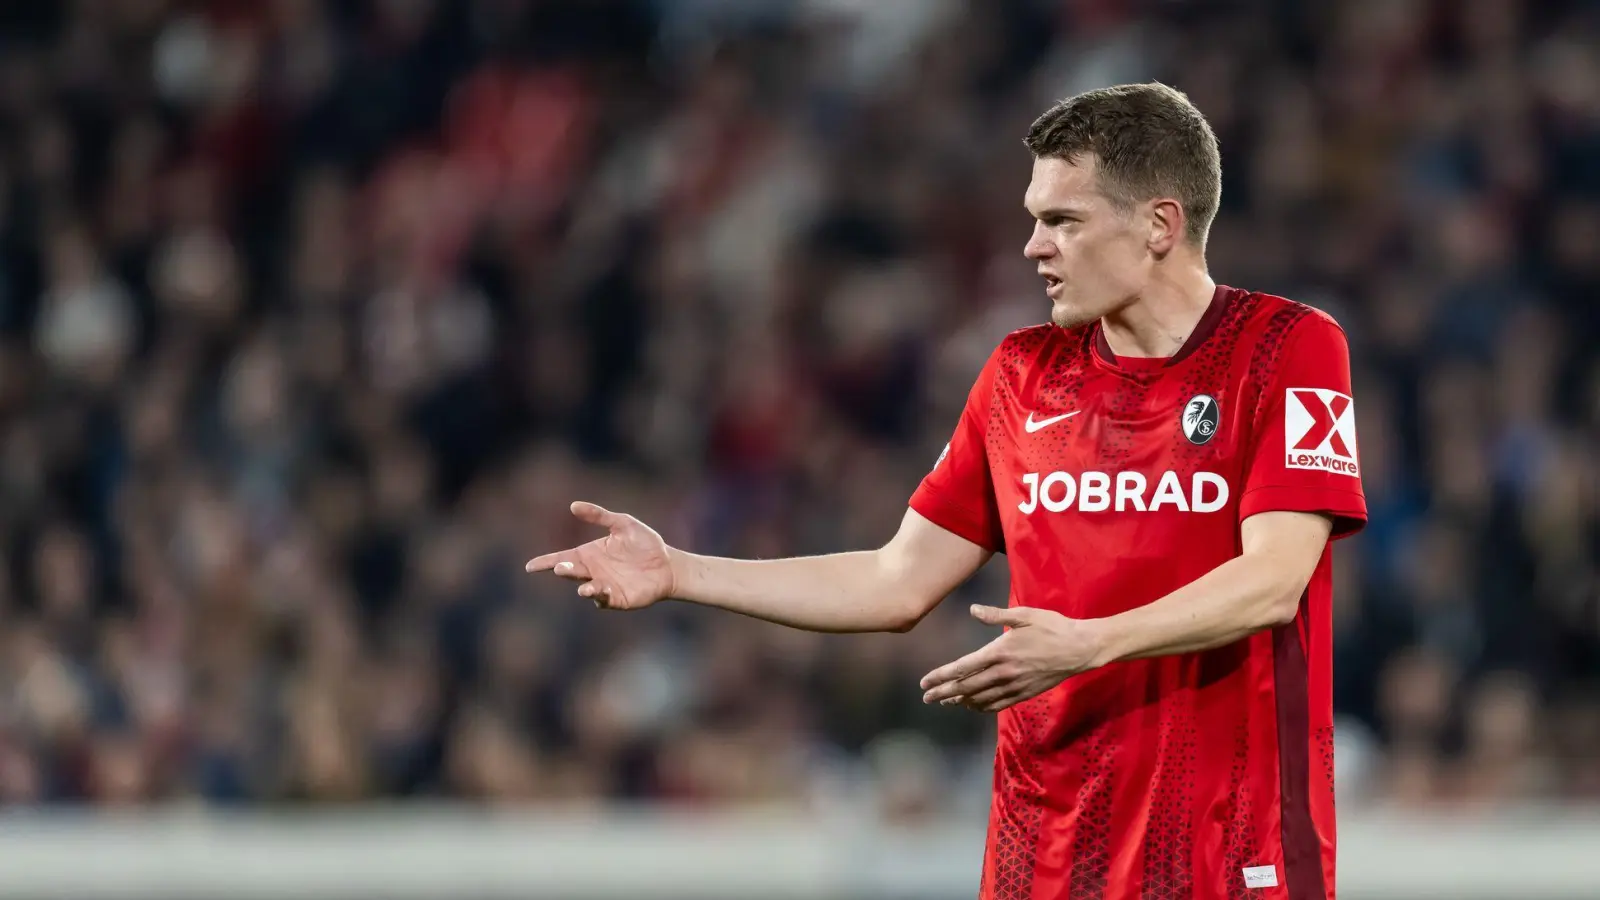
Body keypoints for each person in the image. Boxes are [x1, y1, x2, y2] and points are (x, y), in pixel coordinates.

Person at [527, 82, 1365, 900]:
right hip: (1044, 856)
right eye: (1035, 220)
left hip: (1232, 854)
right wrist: (680, 571)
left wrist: (1088, 644)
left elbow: (1274, 582)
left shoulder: (1288, 347)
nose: (1035, 246)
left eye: (1061, 221)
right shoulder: (1021, 375)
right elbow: (898, 580)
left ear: (1159, 224)